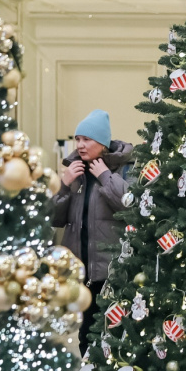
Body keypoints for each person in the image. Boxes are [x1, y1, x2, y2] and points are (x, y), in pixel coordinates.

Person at [52, 109, 134, 353]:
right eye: (78, 139)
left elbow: (130, 206)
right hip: (80, 270)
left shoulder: (124, 169)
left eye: (87, 139)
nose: (80, 145)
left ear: (102, 142)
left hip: (111, 270)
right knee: (86, 334)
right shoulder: (73, 172)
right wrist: (64, 185)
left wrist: (105, 176)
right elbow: (54, 218)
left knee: (113, 334)